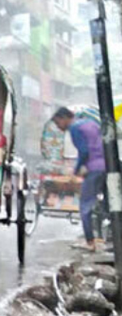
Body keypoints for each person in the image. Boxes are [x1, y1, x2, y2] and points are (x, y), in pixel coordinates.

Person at [51, 107, 106, 252]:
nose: (59, 127)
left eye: (58, 123)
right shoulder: (91, 123)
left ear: (64, 118)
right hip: (106, 166)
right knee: (107, 203)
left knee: (85, 206)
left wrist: (75, 171)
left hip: (94, 168)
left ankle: (90, 242)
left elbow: (84, 151)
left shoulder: (74, 128)